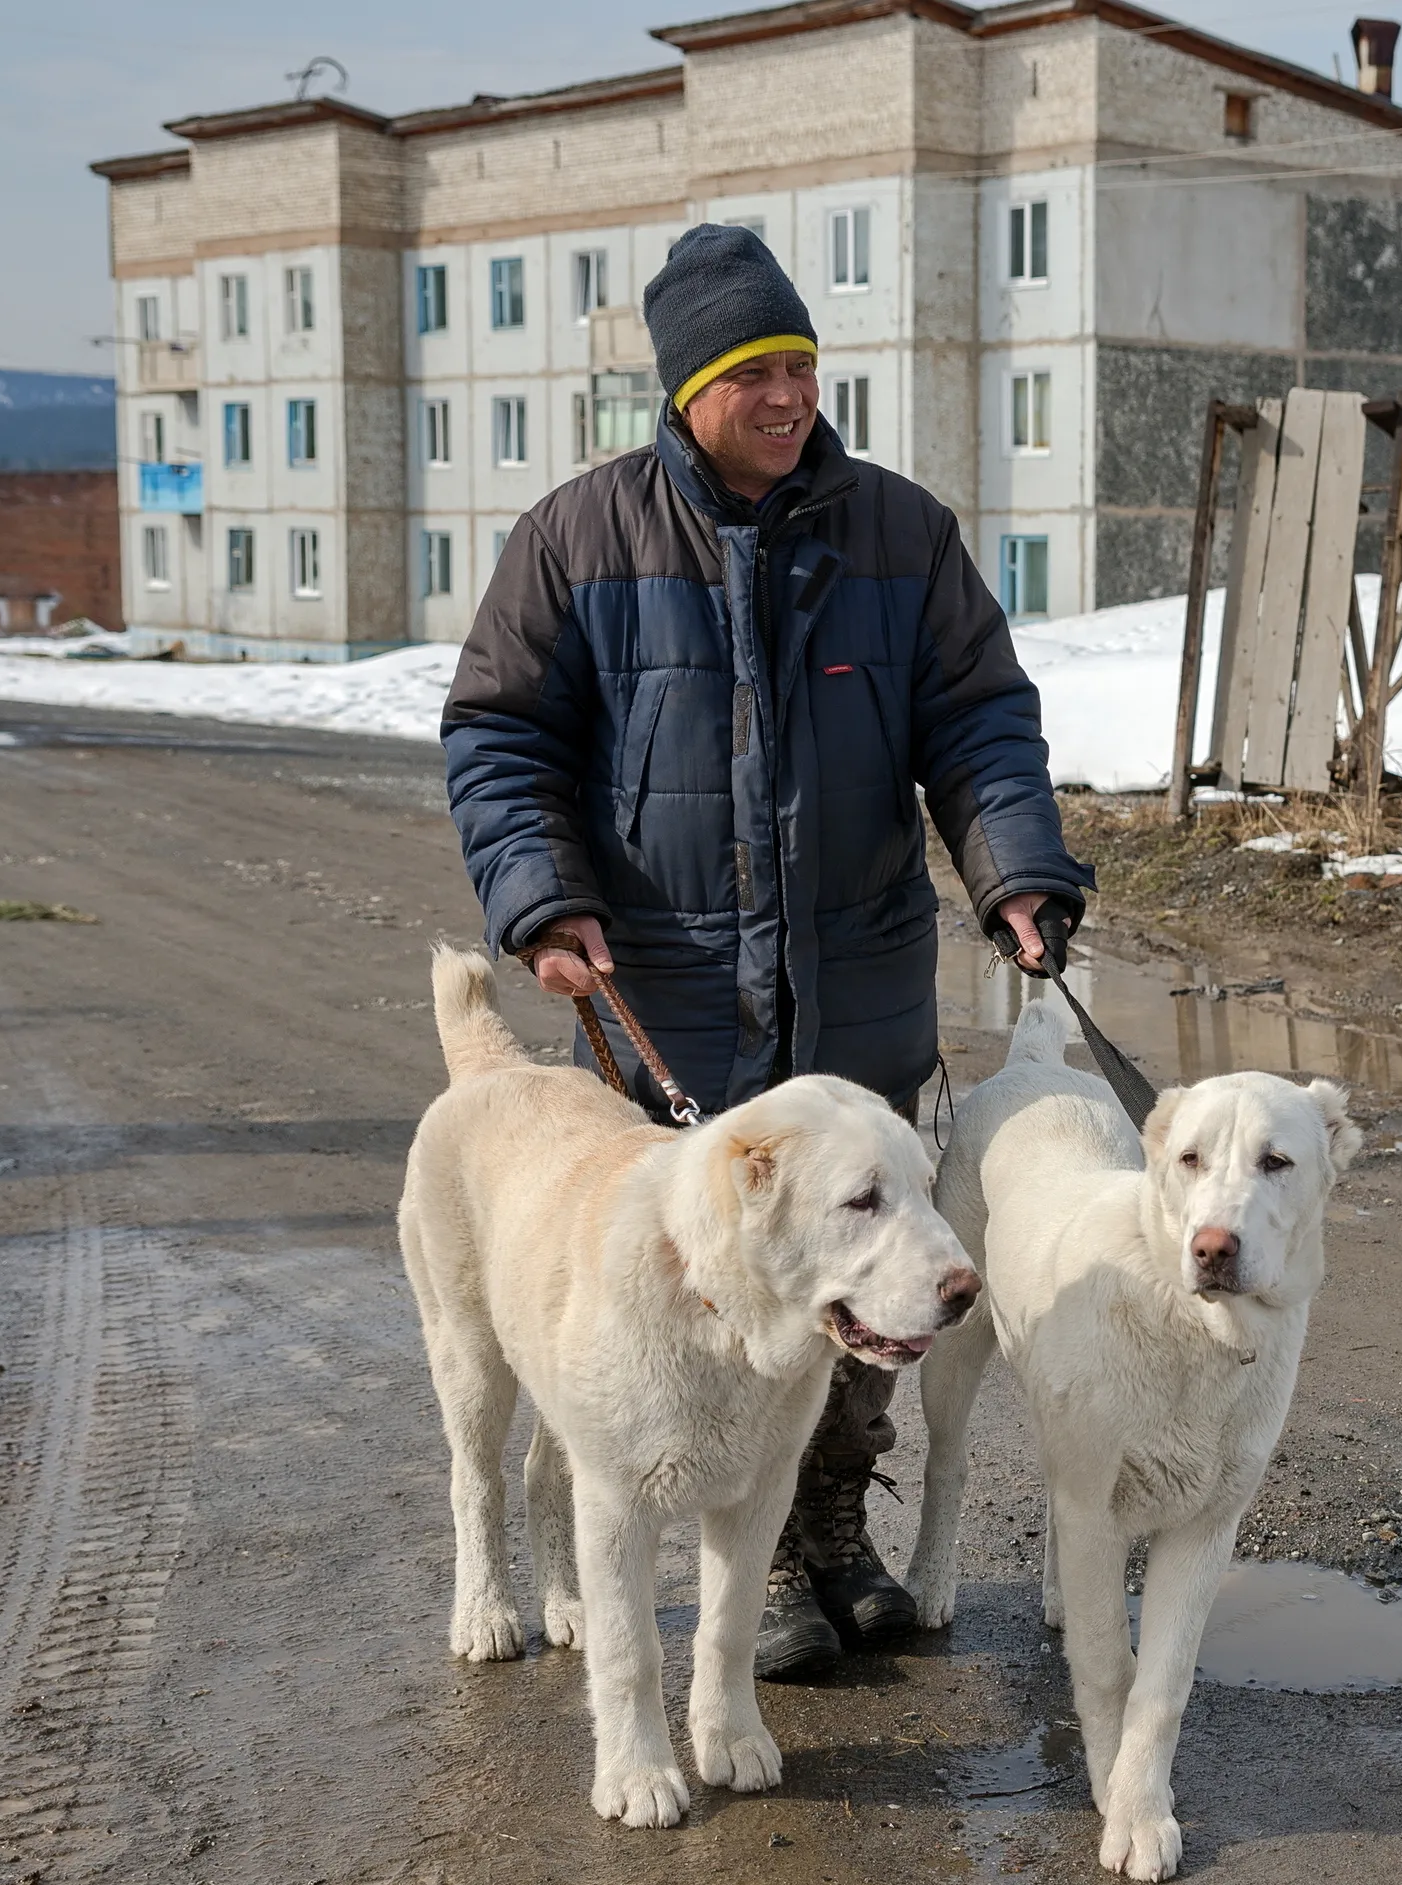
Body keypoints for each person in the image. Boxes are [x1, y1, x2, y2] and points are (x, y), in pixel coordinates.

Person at [442, 223, 1091, 1679]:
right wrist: (541, 895)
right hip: (660, 992)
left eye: (802, 363)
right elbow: (498, 734)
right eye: (755, 373)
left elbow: (981, 724)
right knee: (680, 1296)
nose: (789, 394)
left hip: (856, 986)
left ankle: (825, 1536)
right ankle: (704, 1555)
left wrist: (1017, 875)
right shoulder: (576, 538)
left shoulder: (900, 535)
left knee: (869, 1269)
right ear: (687, 391)